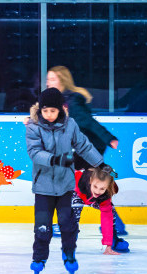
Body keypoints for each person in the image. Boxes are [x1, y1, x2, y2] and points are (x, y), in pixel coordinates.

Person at [25, 87, 103, 274]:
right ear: (40, 110)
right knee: (42, 226)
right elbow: (34, 153)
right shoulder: (34, 127)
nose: (49, 114)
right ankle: (39, 258)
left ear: (60, 109)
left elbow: (83, 146)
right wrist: (55, 159)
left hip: (64, 185)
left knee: (67, 224)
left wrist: (100, 164)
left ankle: (69, 254)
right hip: (43, 186)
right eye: (45, 111)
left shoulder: (71, 125)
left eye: (53, 110)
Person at [46, 66, 126, 236]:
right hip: (84, 147)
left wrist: (108, 137)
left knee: (74, 182)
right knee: (82, 183)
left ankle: (68, 224)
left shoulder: (72, 101)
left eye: (52, 79)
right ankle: (116, 224)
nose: (48, 82)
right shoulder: (58, 100)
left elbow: (89, 122)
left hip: (90, 147)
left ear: (62, 81)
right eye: (48, 79)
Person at [72, 164, 130, 255]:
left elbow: (106, 219)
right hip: (77, 193)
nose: (98, 191)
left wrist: (108, 246)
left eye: (102, 188)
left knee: (111, 211)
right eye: (95, 187)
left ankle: (114, 240)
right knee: (73, 214)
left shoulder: (105, 195)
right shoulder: (78, 178)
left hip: (94, 199)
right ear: (91, 181)